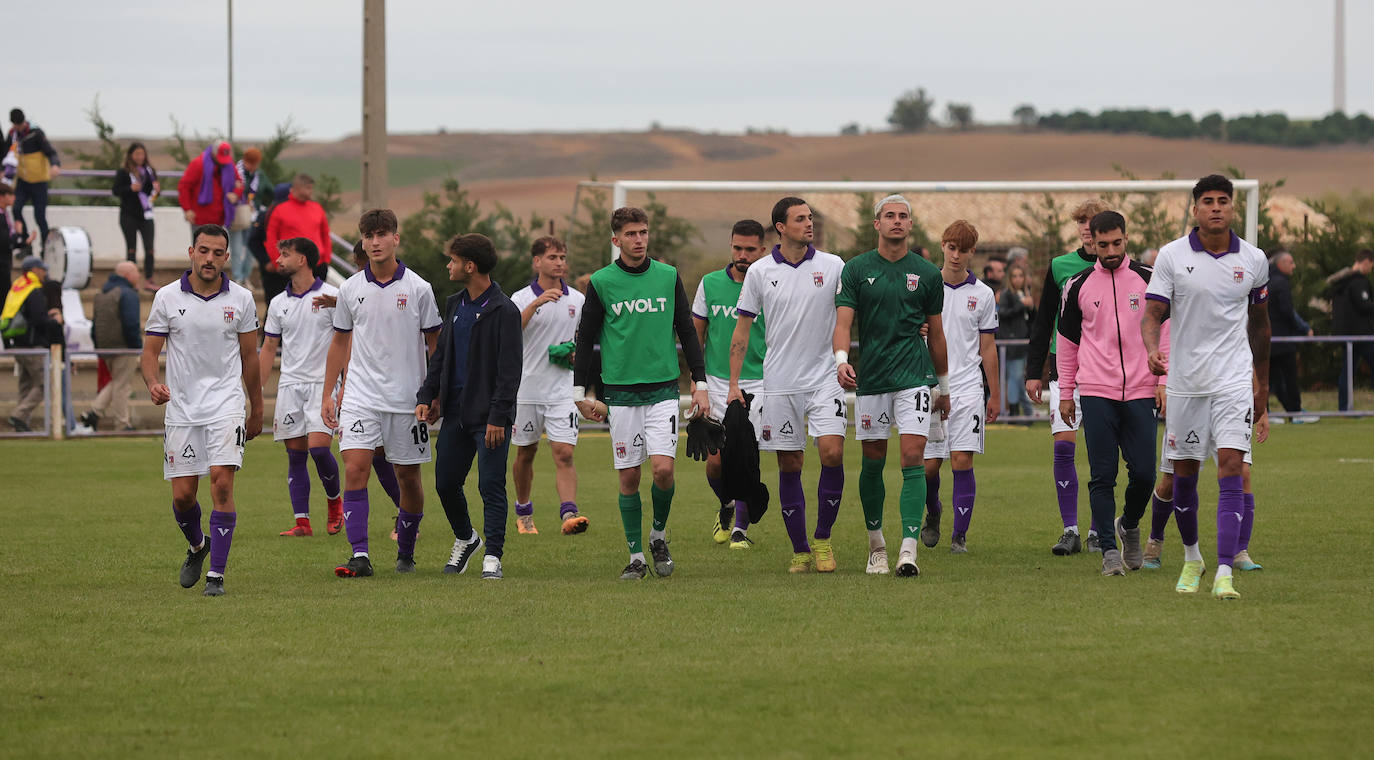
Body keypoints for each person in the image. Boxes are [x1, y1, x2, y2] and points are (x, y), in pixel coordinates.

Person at [1142, 174, 1271, 600]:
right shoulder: (1171, 256)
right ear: (1195, 208)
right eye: (1208, 201)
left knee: (1233, 466)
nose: (1216, 207)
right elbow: (1152, 314)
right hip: (1186, 384)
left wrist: (1262, 389)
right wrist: (1150, 350)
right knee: (1184, 473)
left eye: (1223, 201)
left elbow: (1261, 327)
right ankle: (1192, 558)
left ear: (1232, 207)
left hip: (1233, 381)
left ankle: (1223, 572)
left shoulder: (1253, 259)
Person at [574, 206, 708, 580]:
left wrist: (701, 383)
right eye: (631, 234)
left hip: (663, 389)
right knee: (629, 477)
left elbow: (686, 329)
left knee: (663, 470)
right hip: (619, 396)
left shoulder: (667, 276)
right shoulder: (601, 282)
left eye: (643, 232)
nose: (638, 240)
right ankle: (636, 556)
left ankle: (658, 537)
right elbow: (585, 339)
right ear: (616, 240)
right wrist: (578, 393)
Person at [141, 224, 263, 596]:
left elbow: (249, 357)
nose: (210, 259)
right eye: (204, 251)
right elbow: (149, 353)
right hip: (182, 409)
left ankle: (217, 576)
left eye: (217, 253)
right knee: (183, 497)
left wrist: (256, 406)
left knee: (222, 484)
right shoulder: (165, 297)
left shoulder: (241, 299)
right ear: (191, 251)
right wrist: (152, 384)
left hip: (226, 405)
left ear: (227, 257)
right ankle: (198, 546)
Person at [729, 197, 847, 573]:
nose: (809, 224)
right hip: (779, 384)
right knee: (790, 463)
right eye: (800, 219)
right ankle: (800, 550)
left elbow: (856, 311)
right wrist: (733, 383)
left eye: (810, 217)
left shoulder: (833, 266)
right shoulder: (760, 272)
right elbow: (742, 331)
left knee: (832, 452)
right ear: (780, 227)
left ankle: (823, 540)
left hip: (825, 379)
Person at [322, 209, 441, 578]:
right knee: (355, 468)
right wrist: (329, 393)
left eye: (381, 234)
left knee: (408, 478)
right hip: (360, 396)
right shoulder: (350, 288)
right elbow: (340, 341)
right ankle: (360, 555)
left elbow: (434, 343)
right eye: (368, 235)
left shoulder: (419, 289)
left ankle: (406, 551)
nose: (374, 242)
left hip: (407, 400)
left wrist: (434, 393)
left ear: (395, 238)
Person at [834, 194, 948, 576]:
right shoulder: (855, 269)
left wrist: (943, 386)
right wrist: (841, 361)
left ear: (911, 225)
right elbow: (844, 323)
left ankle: (908, 550)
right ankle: (876, 545)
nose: (897, 221)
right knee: (873, 463)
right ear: (877, 224)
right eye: (889, 216)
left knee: (912, 459)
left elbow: (937, 335)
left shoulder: (929, 274)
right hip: (873, 380)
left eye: (903, 216)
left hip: (914, 378)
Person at [1056, 211, 1159, 575]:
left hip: (1142, 389)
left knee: (1145, 472)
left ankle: (1128, 524)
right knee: (1102, 475)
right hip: (1096, 391)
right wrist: (1066, 391)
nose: (1111, 250)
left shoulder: (1149, 279)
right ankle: (1109, 553)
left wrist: (1162, 382)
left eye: (1117, 243)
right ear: (1092, 243)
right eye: (1103, 245)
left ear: (1126, 238)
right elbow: (1067, 344)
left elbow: (1167, 333)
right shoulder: (1077, 284)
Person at [416, 234, 523, 580]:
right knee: (445, 483)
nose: (449, 265)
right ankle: (466, 538)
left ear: (470, 266)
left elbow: (510, 372)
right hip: (456, 414)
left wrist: (498, 417)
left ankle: (493, 556)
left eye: (453, 260)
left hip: (490, 417)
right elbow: (442, 356)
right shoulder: (455, 304)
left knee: (491, 486)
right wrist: (427, 395)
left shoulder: (505, 310)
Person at [1025, 199, 1110, 555]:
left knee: (1100, 452)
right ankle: (1070, 529)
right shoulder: (1061, 266)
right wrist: (1034, 371)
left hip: (1106, 372)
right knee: (1063, 446)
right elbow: (1044, 319)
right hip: (1065, 370)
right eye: (1081, 223)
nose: (1087, 228)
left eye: (1092, 221)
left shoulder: (1121, 267)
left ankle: (1096, 531)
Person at [257, 237, 344, 537]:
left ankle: (335, 504)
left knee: (319, 449)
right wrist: (257, 388)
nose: (278, 260)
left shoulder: (333, 295)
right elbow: (269, 347)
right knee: (295, 456)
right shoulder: (278, 303)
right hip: (290, 385)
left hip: (323, 385)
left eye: (285, 254)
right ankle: (302, 523)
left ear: (303, 259)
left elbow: (347, 341)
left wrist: (344, 386)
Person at [922, 220, 999, 554]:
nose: (956, 255)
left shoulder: (982, 294)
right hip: (929, 387)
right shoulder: (924, 286)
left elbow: (988, 348)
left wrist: (994, 393)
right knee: (927, 468)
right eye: (951, 247)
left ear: (972, 252)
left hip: (967, 387)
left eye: (963, 249)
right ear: (942, 246)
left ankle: (959, 537)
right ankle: (934, 510)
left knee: (961, 461)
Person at [692, 219, 769, 549]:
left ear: (762, 250)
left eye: (750, 249)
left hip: (761, 382)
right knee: (714, 462)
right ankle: (725, 505)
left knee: (745, 457)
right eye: (737, 247)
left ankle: (740, 529)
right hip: (716, 383)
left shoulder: (770, 283)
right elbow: (695, 335)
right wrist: (698, 383)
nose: (743, 254)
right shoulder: (709, 283)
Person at [508, 236, 589, 536]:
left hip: (562, 390)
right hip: (527, 390)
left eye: (562, 257)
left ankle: (569, 512)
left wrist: (573, 353)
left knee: (564, 453)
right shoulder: (520, 298)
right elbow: (510, 331)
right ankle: (524, 511)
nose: (559, 263)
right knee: (525, 453)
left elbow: (586, 337)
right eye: (553, 257)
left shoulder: (578, 301)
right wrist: (536, 304)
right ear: (537, 262)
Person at [79, 261, 143, 432]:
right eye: (136, 272)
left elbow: (95, 323)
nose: (139, 276)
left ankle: (94, 412)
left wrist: (98, 347)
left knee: (116, 382)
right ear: (127, 275)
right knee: (122, 386)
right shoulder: (128, 294)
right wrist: (137, 346)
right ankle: (122, 424)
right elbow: (131, 324)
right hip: (124, 347)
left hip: (105, 347)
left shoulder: (102, 293)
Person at [2, 256, 63, 431]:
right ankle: (19, 416)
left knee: (25, 385)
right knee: (44, 384)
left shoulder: (17, 288)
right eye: (42, 269)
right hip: (33, 345)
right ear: (34, 270)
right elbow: (37, 319)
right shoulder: (34, 290)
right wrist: (54, 320)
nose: (45, 272)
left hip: (18, 344)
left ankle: (20, 425)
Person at [1266, 251, 1313, 419]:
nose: (1294, 266)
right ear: (1281, 264)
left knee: (1270, 379)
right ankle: (1295, 413)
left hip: (1268, 339)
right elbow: (1287, 311)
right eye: (1291, 262)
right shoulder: (1281, 283)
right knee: (1289, 378)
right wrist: (1303, 328)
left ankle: (1268, 413)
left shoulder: (1267, 280)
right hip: (1282, 340)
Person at [4, 109, 60, 247]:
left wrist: (55, 165)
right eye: (16, 125)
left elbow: (50, 152)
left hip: (39, 182)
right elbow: (5, 154)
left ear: (24, 121)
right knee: (16, 209)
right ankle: (24, 241)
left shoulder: (36, 133)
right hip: (23, 181)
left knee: (39, 216)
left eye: (20, 124)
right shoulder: (12, 135)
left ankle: (45, 246)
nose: (18, 127)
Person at [1327, 249, 1374, 411]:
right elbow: (1364, 306)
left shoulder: (1341, 282)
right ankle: (1345, 407)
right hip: (1361, 334)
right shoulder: (1358, 282)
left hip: (1344, 333)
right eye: (1371, 266)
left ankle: (1344, 407)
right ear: (1366, 262)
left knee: (1347, 370)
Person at [266, 173, 332, 282]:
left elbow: (325, 235)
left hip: (318, 265)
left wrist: (326, 259)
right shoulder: (280, 210)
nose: (311, 191)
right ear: (298, 188)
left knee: (318, 298)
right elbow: (271, 238)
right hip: (290, 267)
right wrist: (276, 262)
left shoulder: (317, 208)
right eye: (308, 188)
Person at [112, 143, 160, 288]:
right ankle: (131, 281)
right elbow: (116, 190)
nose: (140, 157)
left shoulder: (150, 172)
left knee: (150, 248)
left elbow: (153, 194)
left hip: (146, 216)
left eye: (142, 154)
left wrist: (157, 190)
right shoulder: (124, 172)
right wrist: (130, 188)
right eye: (137, 154)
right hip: (129, 216)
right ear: (131, 155)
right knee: (131, 249)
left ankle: (149, 280)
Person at [997, 263, 1035, 417]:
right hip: (1011, 343)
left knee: (1018, 378)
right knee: (1015, 377)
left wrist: (1031, 307)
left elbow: (1031, 320)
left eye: (1021, 275)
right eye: (1014, 276)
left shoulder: (1025, 293)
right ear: (1009, 278)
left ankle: (1027, 412)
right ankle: (1013, 413)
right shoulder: (1007, 294)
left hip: (1024, 341)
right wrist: (1021, 304)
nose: (1018, 279)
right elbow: (1003, 314)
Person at [177, 141, 242, 228]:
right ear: (213, 153)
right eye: (220, 158)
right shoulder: (198, 164)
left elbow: (239, 182)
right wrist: (187, 209)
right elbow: (184, 187)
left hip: (221, 218)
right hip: (200, 218)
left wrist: (236, 194)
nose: (223, 162)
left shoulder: (229, 164)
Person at [228, 148, 268, 286]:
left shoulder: (257, 175)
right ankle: (238, 277)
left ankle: (246, 276)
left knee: (251, 248)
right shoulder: (235, 171)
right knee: (237, 248)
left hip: (252, 215)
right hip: (236, 214)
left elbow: (267, 190)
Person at [0, 182, 36, 295]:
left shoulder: (4, 213)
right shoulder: (1, 216)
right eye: (10, 195)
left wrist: (25, 241)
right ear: (2, 196)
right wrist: (19, 234)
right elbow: (5, 242)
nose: (14, 198)